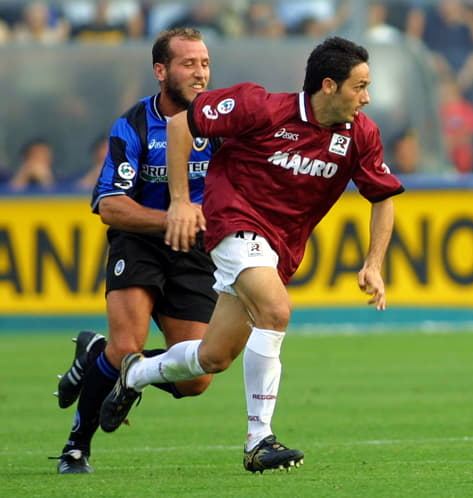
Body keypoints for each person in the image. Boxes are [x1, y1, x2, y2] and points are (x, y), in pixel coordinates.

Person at [99, 36, 405, 474]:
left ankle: (135, 373)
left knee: (212, 358)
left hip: (279, 247)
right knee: (276, 310)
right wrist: (182, 201)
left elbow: (383, 197)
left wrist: (374, 263)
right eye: (360, 86)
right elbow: (183, 124)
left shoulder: (361, 134)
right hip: (231, 221)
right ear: (329, 86)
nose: (367, 97)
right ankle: (258, 439)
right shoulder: (260, 107)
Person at [51, 27, 218, 475]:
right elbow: (109, 204)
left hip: (196, 253)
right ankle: (76, 446)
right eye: (188, 64)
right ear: (161, 71)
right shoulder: (134, 124)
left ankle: (96, 354)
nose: (199, 73)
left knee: (197, 378)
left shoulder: (223, 122)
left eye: (204, 63)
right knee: (130, 344)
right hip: (141, 243)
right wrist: (172, 218)